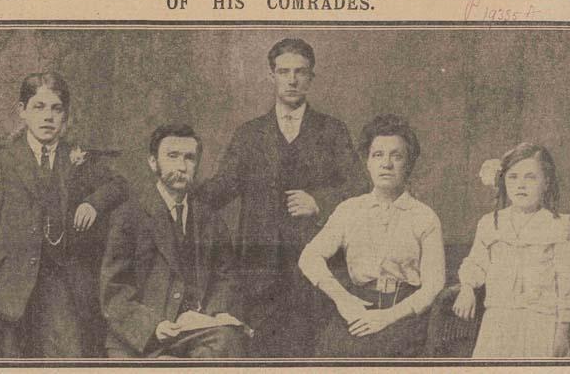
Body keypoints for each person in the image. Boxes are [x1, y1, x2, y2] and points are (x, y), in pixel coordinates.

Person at [197, 38, 368, 357]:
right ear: (271, 76)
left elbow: (361, 187)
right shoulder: (250, 134)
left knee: (311, 350)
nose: (292, 80)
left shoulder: (332, 131)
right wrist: (176, 193)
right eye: (284, 71)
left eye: (300, 72)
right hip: (259, 270)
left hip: (315, 269)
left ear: (311, 78)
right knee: (262, 352)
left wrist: (320, 201)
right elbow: (222, 186)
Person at [0, 72, 129, 357]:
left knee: (67, 352)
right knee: (12, 355)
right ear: (22, 112)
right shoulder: (3, 162)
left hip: (61, 280)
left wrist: (93, 203)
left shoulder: (75, 157)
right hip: (12, 282)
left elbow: (120, 185)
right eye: (39, 107)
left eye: (56, 108)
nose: (48, 116)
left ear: (65, 116)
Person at [298, 114, 446, 357]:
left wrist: (387, 318)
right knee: (330, 351)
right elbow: (309, 257)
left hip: (404, 313)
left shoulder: (424, 217)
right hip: (358, 305)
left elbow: (433, 286)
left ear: (408, 164)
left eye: (396, 156)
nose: (386, 164)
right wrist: (342, 299)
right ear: (367, 162)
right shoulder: (349, 210)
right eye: (378, 155)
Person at [100, 124, 248, 358]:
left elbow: (226, 278)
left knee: (230, 341)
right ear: (152, 162)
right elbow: (114, 290)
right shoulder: (129, 216)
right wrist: (153, 327)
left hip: (195, 333)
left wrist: (213, 314)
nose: (181, 167)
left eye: (189, 158)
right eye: (172, 156)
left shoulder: (210, 219)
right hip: (142, 339)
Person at [453, 143, 570, 357]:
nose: (520, 185)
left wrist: (562, 331)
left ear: (547, 182)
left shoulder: (560, 227)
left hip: (541, 324)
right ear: (504, 181)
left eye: (530, 177)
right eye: (513, 177)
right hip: (497, 324)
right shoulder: (491, 223)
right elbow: (476, 263)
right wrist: (467, 288)